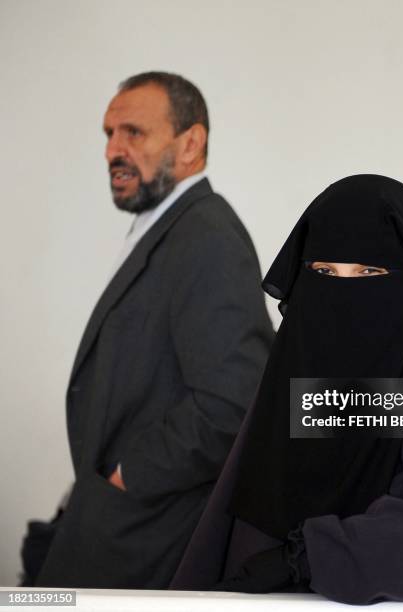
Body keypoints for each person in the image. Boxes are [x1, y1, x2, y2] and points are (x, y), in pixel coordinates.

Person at [169, 174, 403, 603]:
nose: (341, 294)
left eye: (369, 272)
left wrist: (311, 557)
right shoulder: (298, 364)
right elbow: (247, 510)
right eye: (323, 272)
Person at [34, 71, 274, 589]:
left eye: (133, 134)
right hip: (123, 524)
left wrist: (128, 476)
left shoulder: (207, 237)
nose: (112, 151)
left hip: (150, 535)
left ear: (191, 143)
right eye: (108, 135)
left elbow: (234, 403)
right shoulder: (171, 226)